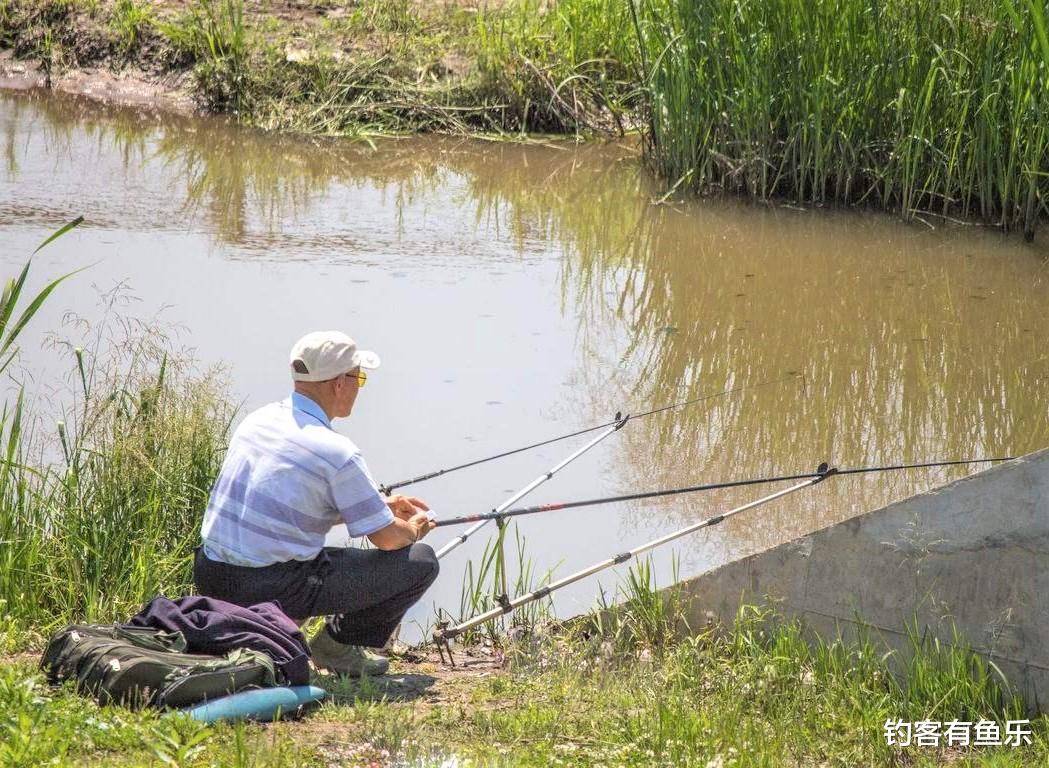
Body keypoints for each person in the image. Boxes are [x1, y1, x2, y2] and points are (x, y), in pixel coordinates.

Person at [193, 330, 438, 677]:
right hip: (266, 584)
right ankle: (335, 646)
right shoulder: (337, 452)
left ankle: (276, 627)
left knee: (315, 555)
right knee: (419, 562)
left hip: (212, 574)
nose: (359, 387)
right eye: (360, 378)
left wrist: (378, 504)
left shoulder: (258, 421)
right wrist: (414, 529)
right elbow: (388, 540)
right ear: (339, 384)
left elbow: (290, 504)